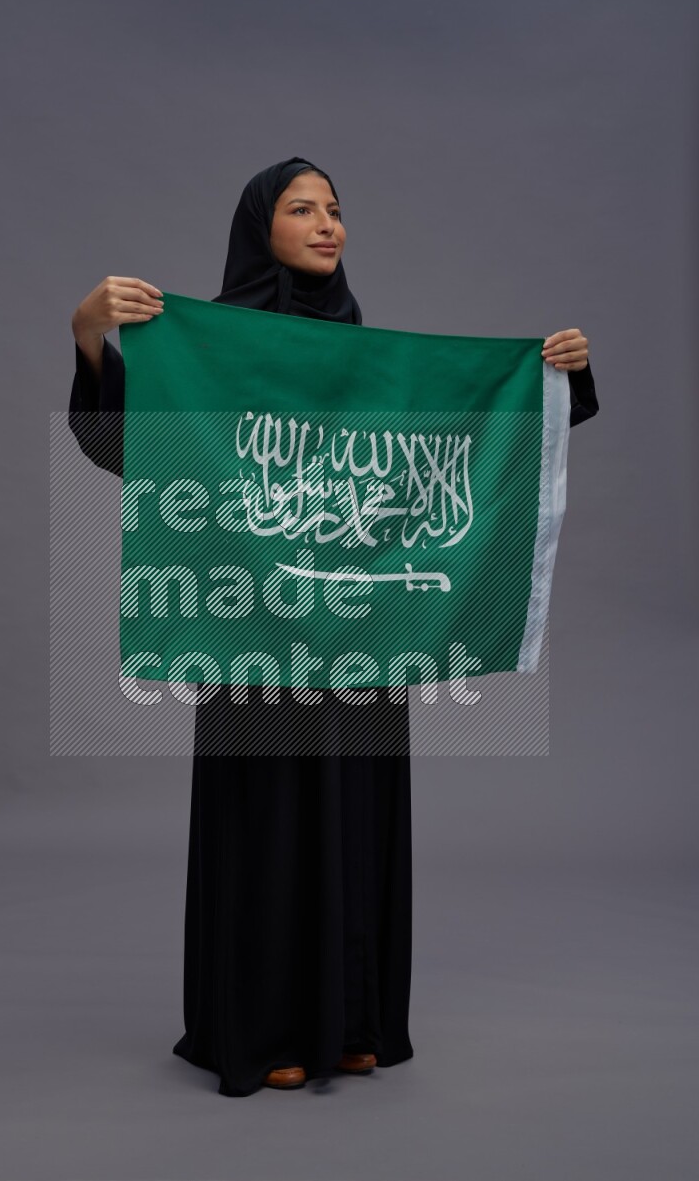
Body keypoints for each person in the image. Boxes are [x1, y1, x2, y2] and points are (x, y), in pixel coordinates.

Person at [68, 156, 599, 1098]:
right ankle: (259, 1024)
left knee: (357, 816)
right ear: (258, 229)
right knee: (266, 823)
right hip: (255, 639)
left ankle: (355, 1018)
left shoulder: (369, 360)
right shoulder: (205, 348)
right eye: (302, 208)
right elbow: (129, 451)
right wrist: (89, 336)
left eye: (337, 210)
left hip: (363, 636)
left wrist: (559, 379)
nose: (328, 225)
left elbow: (480, 447)